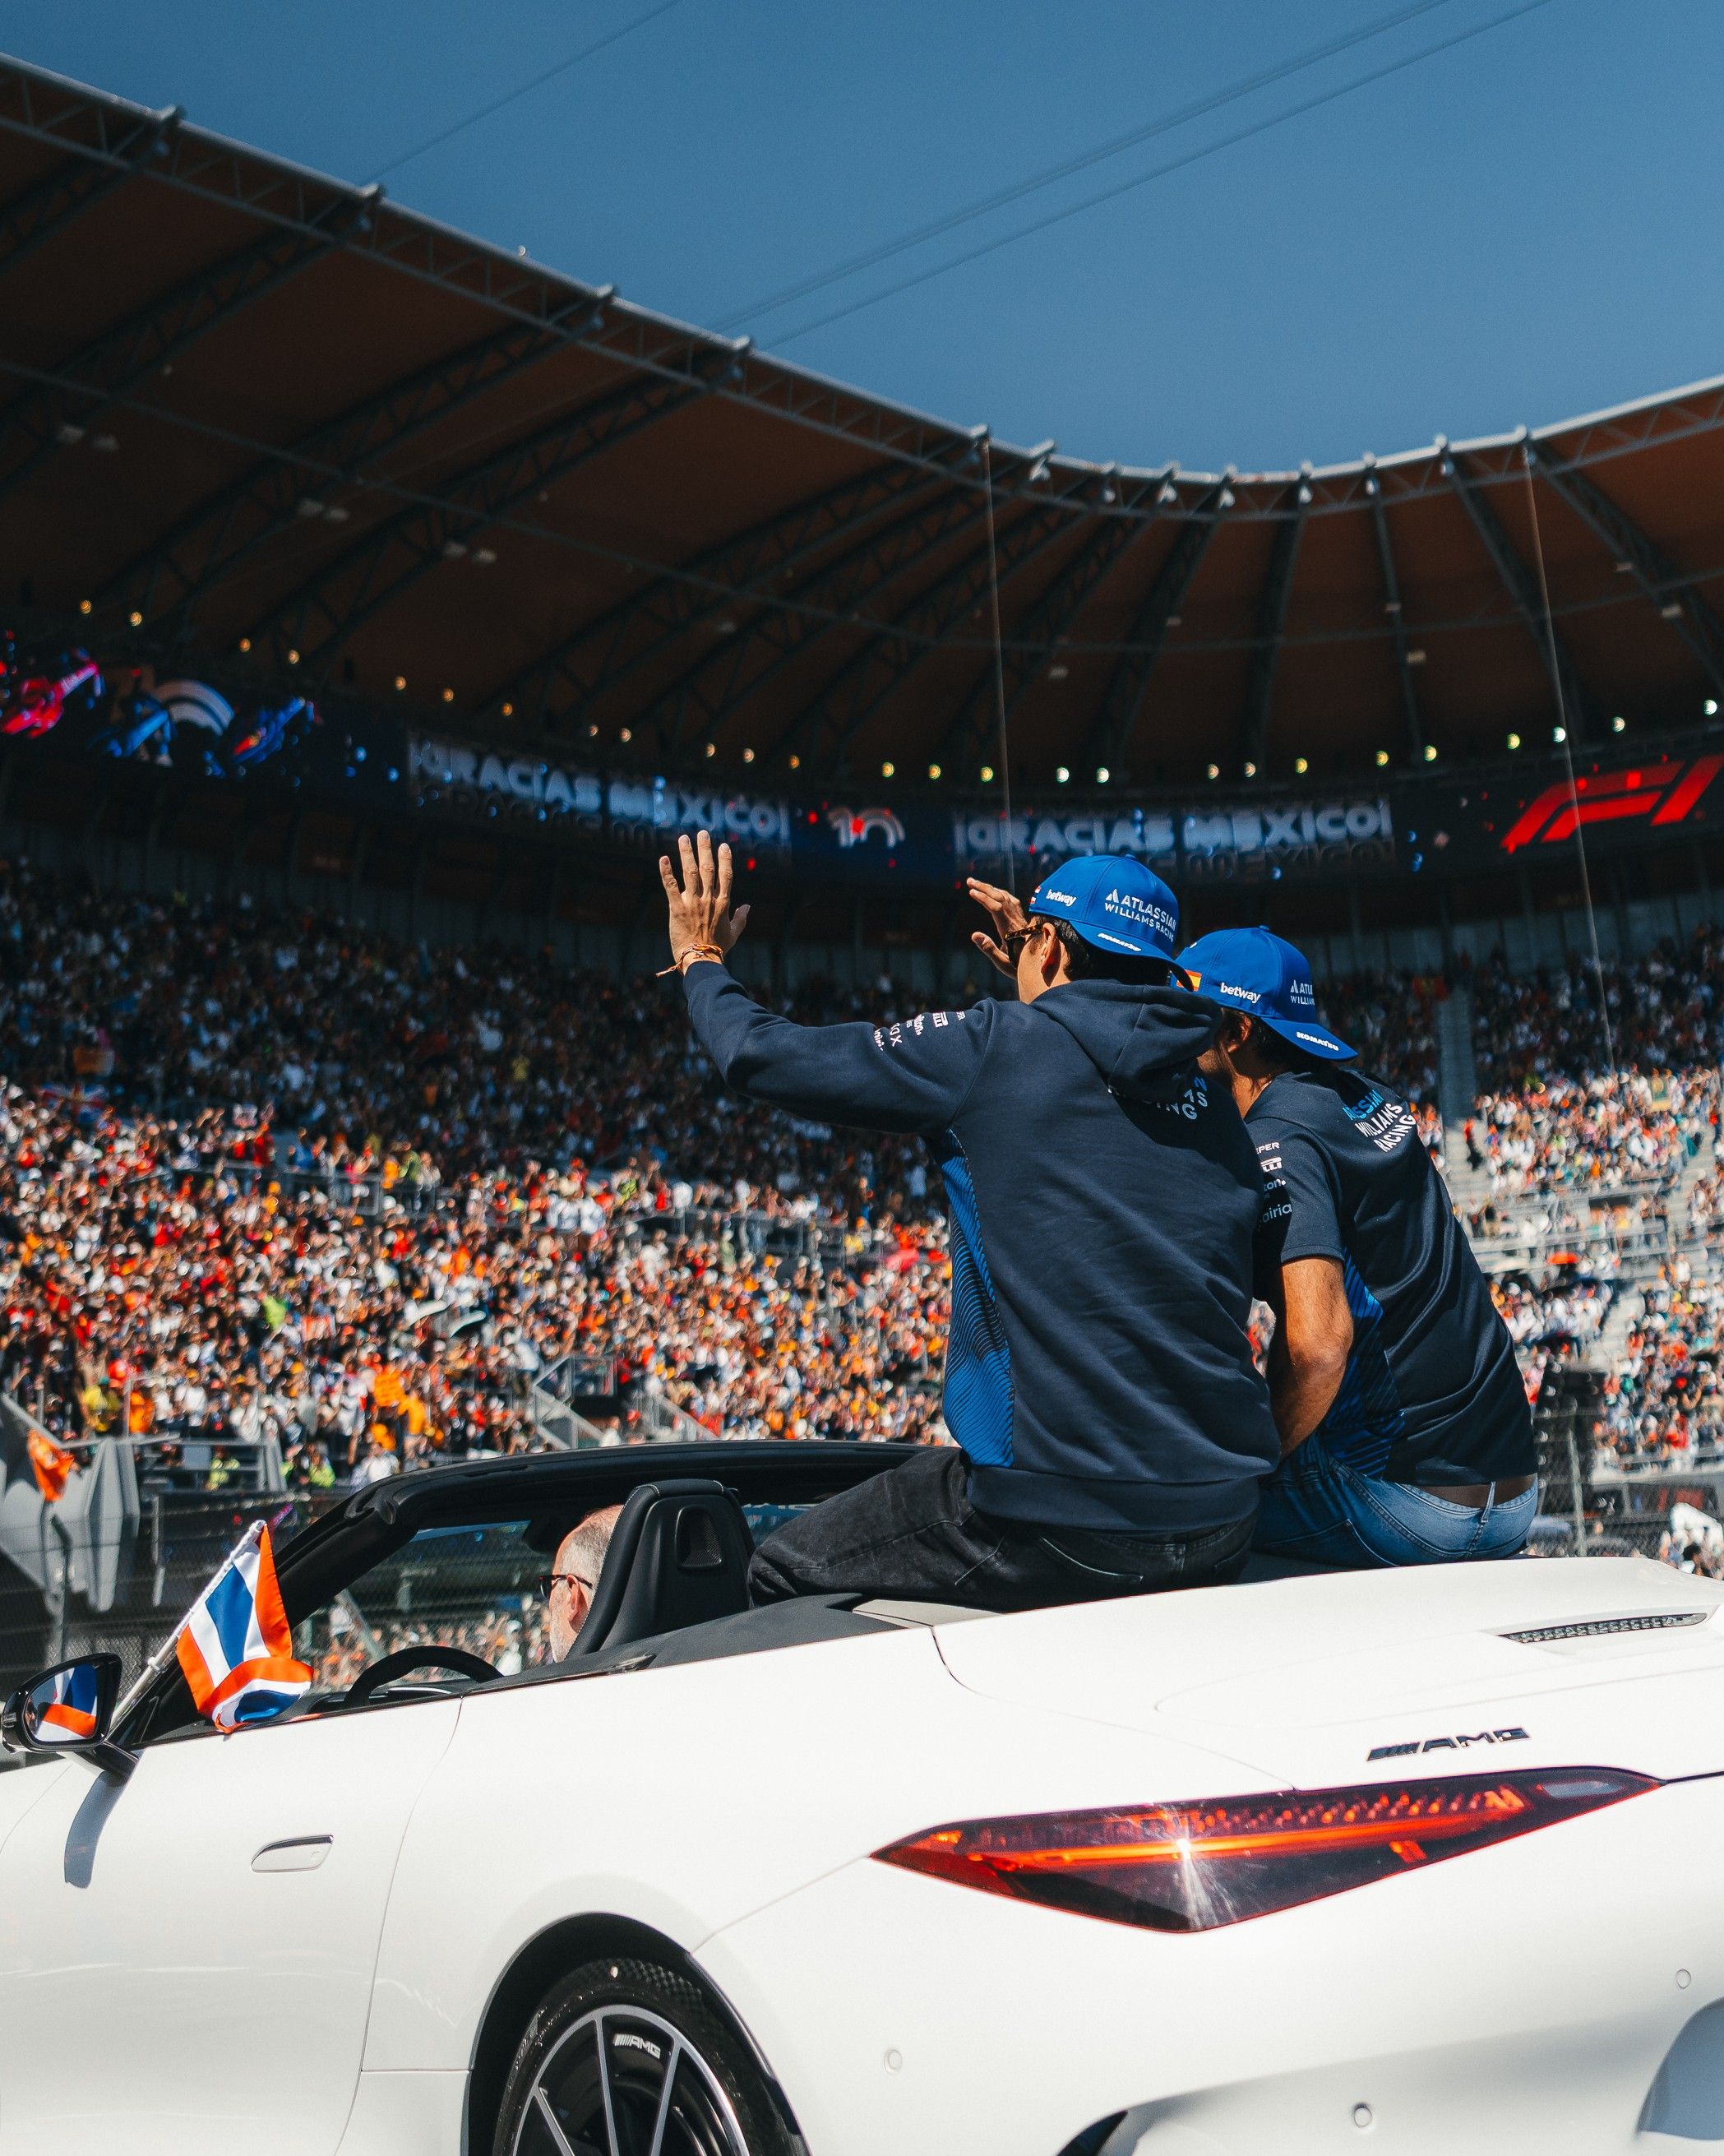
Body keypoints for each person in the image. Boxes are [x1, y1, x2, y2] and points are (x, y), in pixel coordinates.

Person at [657, 830, 1283, 1608]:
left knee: (782, 1570)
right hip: (1224, 1519)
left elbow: (758, 1055)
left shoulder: (994, 1045)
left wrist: (701, 960)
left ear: (1048, 944)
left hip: (1062, 1524)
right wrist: (1044, 993)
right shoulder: (1214, 1106)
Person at [1178, 925, 1537, 1567]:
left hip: (1411, 1502)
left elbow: (1318, 1350)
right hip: (1512, 1495)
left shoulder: (1278, 1135)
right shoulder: (1369, 1098)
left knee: (1172, 1519)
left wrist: (1254, 1467)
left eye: (1186, 1016)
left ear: (1234, 1031)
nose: (1170, 1033)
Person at [543, 1505, 622, 1659]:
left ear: (573, 1596)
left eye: (551, 1584)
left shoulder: (557, 1684)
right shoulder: (678, 1669)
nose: (548, 1602)